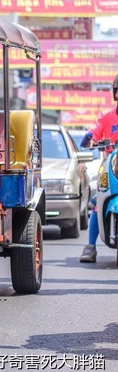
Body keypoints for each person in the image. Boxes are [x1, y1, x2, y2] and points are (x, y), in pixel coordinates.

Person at [79, 75, 118, 263]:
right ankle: (90, 247)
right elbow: (94, 131)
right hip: (110, 165)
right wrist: (89, 137)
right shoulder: (106, 117)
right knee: (97, 203)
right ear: (115, 93)